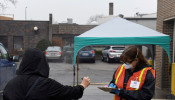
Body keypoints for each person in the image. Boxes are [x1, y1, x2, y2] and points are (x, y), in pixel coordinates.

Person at [3, 48, 90, 100]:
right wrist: (83, 85)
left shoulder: (10, 84)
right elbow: (69, 93)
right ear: (42, 63)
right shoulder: (46, 84)